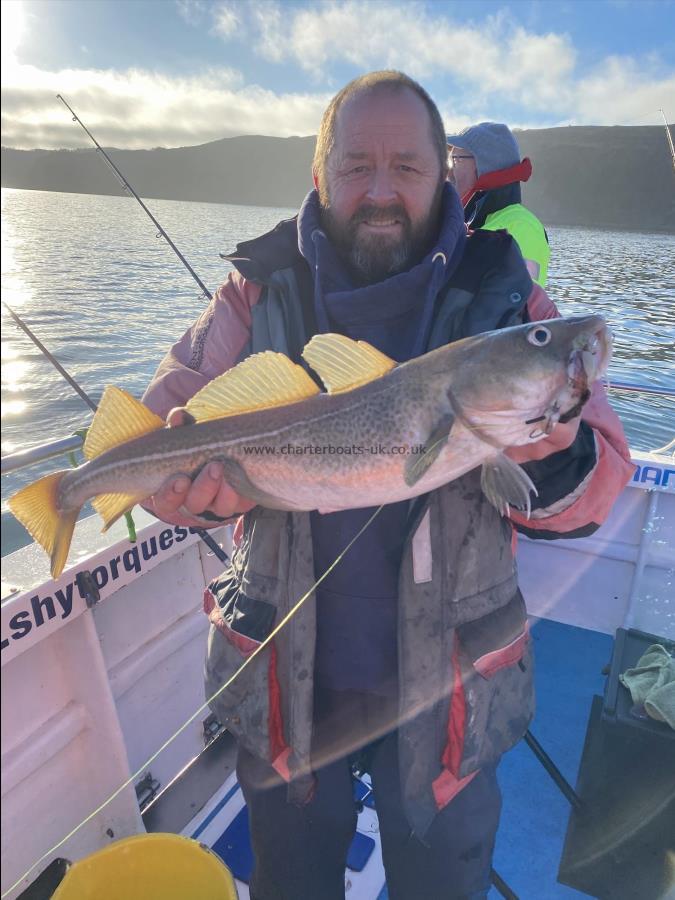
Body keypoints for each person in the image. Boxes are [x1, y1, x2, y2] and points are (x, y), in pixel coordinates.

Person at [142, 72, 633, 900]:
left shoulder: (507, 300)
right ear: (318, 175)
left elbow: (598, 488)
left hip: (450, 695)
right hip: (283, 683)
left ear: (442, 177)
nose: (379, 191)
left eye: (405, 167)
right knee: (289, 883)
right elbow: (162, 429)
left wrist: (551, 450)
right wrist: (174, 485)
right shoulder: (256, 291)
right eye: (355, 164)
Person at [446, 122, 551, 286]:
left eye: (457, 160)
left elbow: (516, 303)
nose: (450, 171)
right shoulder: (470, 220)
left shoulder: (522, 227)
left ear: (484, 166)